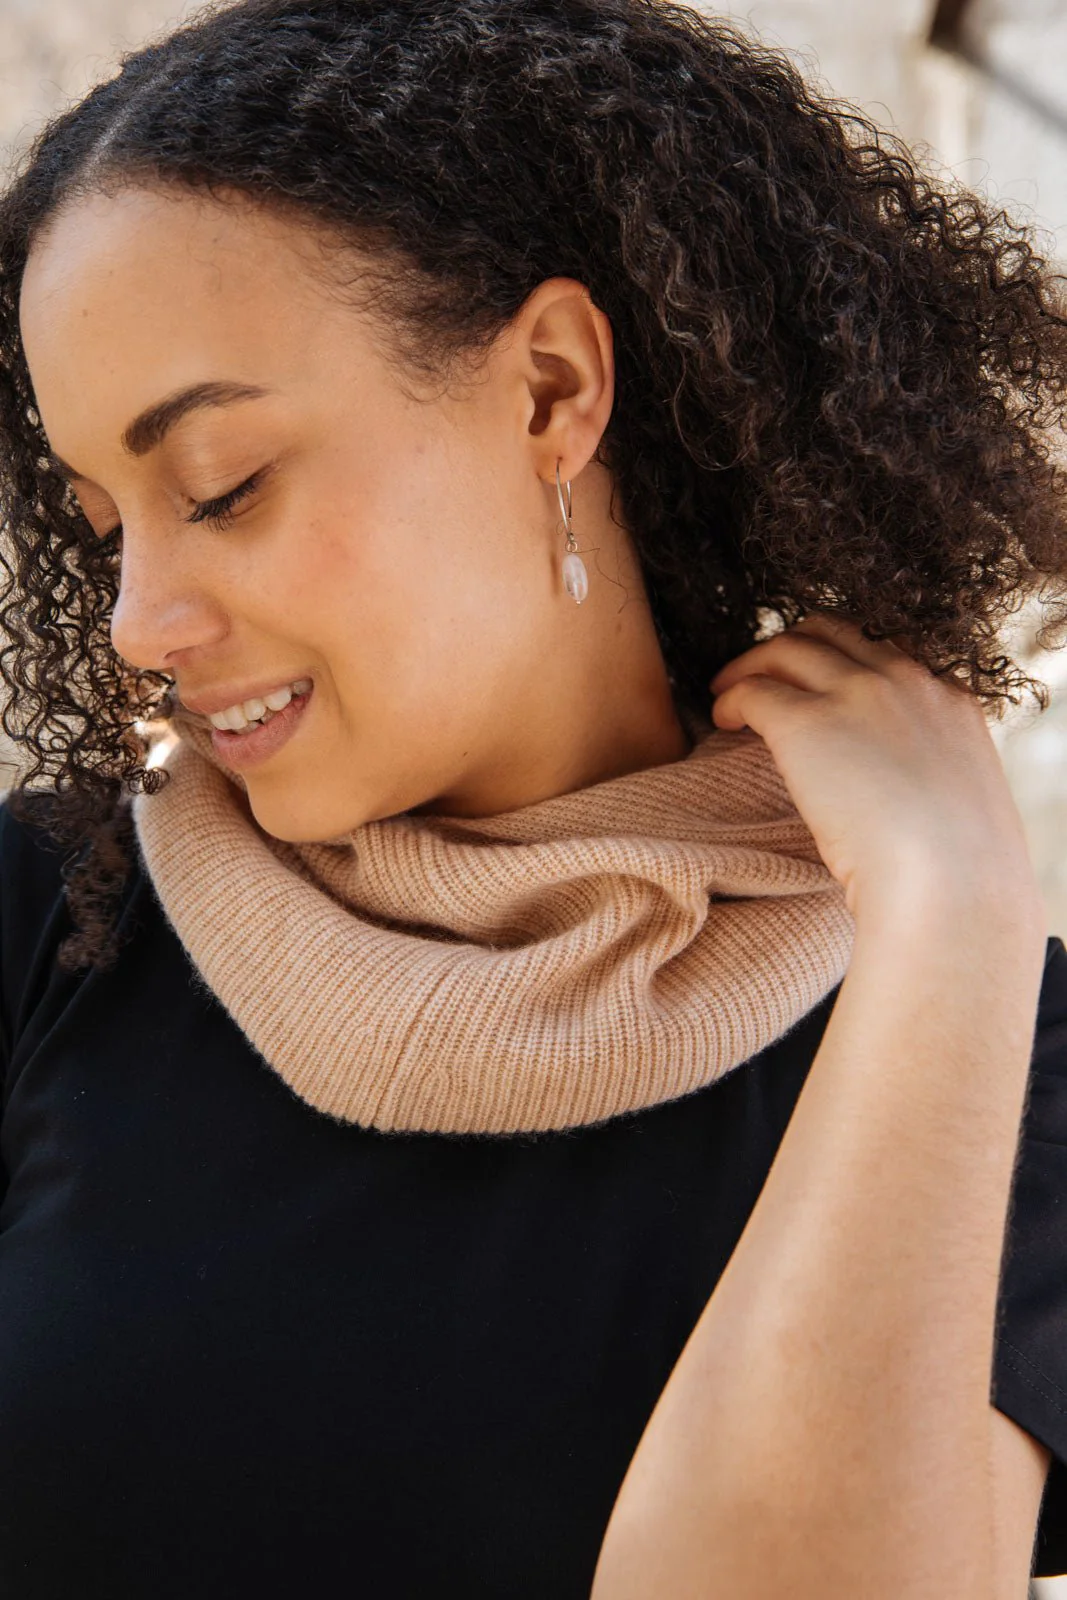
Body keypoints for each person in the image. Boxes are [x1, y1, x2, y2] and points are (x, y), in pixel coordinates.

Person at [0, 0, 1065, 1594]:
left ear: (553, 388)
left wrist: (955, 920)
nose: (139, 622)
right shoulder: (49, 921)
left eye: (220, 486)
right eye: (105, 527)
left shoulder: (989, 1048)